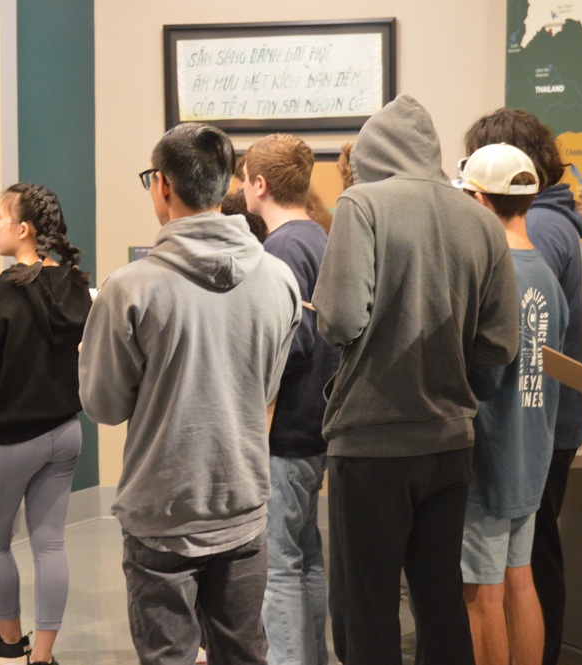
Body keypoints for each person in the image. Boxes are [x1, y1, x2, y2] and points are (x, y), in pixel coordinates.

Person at [78, 122, 301, 665]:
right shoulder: (279, 280)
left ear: (162, 185)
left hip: (163, 512)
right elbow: (266, 390)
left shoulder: (129, 289)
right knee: (244, 652)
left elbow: (103, 405)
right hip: (243, 502)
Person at [310, 94, 520, 665]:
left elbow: (339, 319)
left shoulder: (362, 204)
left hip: (370, 441)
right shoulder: (481, 219)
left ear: (373, 150)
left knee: (367, 606)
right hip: (450, 443)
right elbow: (501, 344)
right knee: (439, 600)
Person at [463, 109, 582, 665]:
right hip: (533, 450)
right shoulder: (545, 264)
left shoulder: (499, 275)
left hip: (493, 452)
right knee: (521, 580)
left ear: (482, 200)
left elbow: (489, 372)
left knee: (481, 593)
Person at [0, 183, 91, 665]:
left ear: (23, 229)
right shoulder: (78, 285)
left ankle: (12, 643)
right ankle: (44, 657)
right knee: (50, 542)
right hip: (67, 432)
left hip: (11, 440)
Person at [241, 133, 340, 665]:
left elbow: (289, 343)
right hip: (319, 426)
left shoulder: (278, 249)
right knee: (306, 557)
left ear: (259, 185)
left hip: (286, 434)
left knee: (278, 564)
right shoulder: (321, 237)